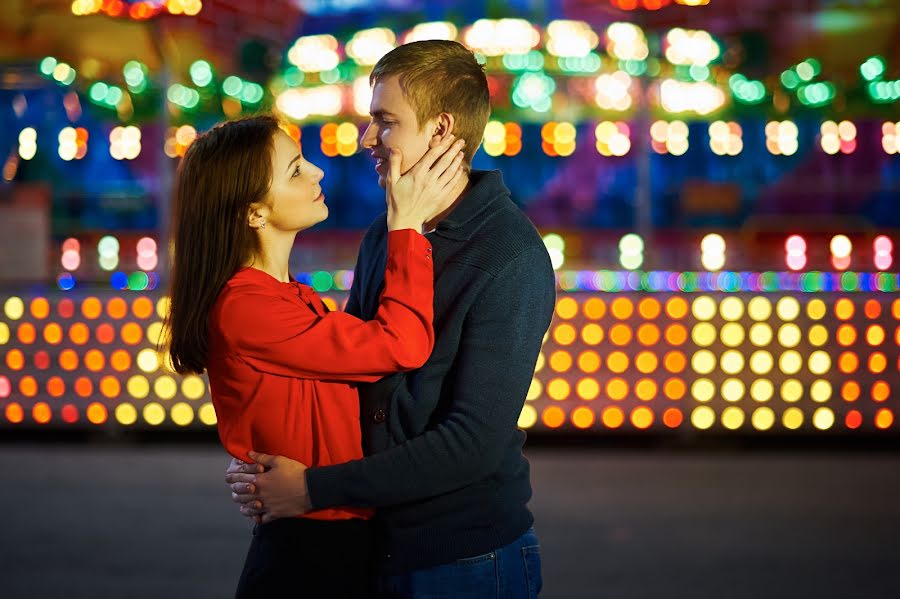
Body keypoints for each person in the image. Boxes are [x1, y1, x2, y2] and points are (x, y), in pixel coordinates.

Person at [226, 40, 557, 598]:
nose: (367, 138)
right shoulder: (389, 231)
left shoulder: (509, 255)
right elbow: (356, 370)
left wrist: (311, 487)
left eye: (384, 120)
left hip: (463, 555)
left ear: (441, 129)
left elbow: (472, 441)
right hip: (372, 540)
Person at [165, 113, 467, 598]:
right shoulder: (248, 307)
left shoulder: (288, 297)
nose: (318, 173)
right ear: (253, 212)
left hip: (332, 536)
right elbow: (401, 344)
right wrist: (406, 228)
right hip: (310, 551)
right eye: (295, 170)